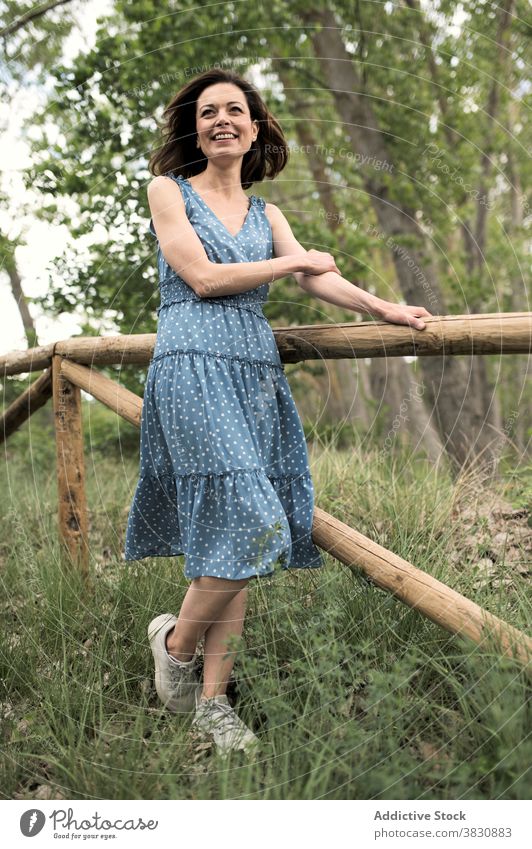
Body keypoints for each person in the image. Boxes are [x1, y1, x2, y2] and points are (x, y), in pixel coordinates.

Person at [124, 69, 432, 756]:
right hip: (193, 364)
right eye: (209, 112)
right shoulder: (167, 192)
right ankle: (174, 646)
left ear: (256, 127)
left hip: (254, 373)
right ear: (193, 129)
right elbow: (201, 276)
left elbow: (317, 274)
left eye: (236, 109)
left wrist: (384, 306)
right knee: (253, 520)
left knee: (236, 534)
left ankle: (212, 705)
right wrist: (286, 265)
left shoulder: (267, 217)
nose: (223, 119)